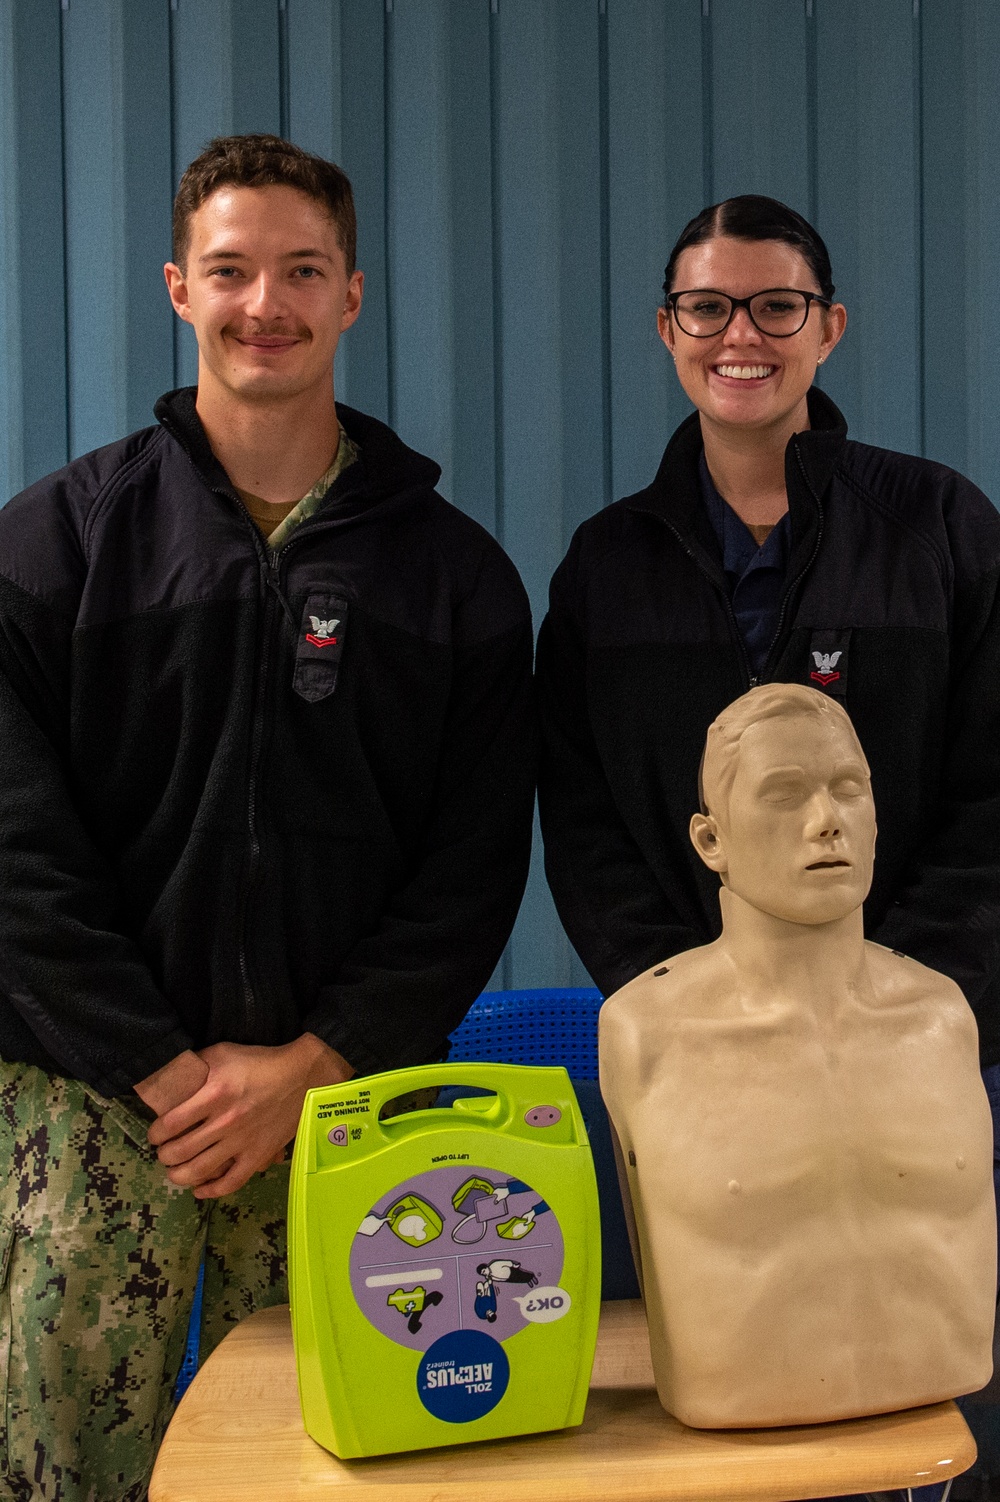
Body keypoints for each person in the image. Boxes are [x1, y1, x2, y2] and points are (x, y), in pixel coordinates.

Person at [0, 134, 533, 1501]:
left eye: (303, 271)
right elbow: (16, 855)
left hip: (340, 1106)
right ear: (180, 287)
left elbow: (469, 869)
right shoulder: (53, 544)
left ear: (352, 294)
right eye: (232, 271)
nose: (266, 306)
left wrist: (314, 1059)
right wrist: (166, 1071)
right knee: (60, 1459)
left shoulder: (456, 577)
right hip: (93, 1099)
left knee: (341, 1459)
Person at [537, 190, 1000, 1088]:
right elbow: (585, 824)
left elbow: (989, 797)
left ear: (829, 328)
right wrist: (688, 1005)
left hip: (916, 1050)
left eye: (777, 307)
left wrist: (903, 1003)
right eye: (707, 308)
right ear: (668, 330)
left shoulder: (940, 526)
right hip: (697, 1057)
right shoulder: (608, 564)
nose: (740, 336)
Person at [600, 684, 995, 1428]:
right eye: (784, 794)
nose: (827, 823)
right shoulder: (645, 1033)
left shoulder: (943, 1015)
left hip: (931, 1416)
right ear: (710, 841)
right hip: (733, 1424)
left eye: (850, 790)